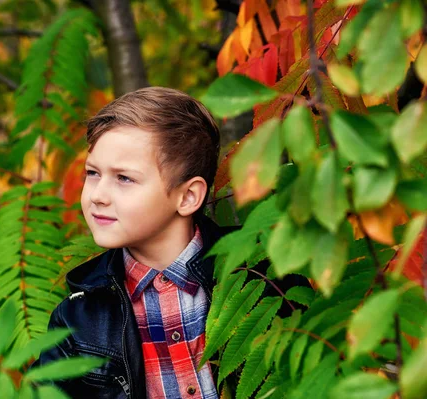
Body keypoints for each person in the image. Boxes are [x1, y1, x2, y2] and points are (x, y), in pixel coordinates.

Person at [34, 87, 296, 398]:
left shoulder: (262, 276)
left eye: (124, 178)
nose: (97, 195)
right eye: (92, 173)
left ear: (187, 197)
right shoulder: (79, 319)